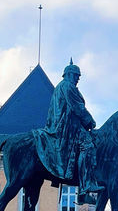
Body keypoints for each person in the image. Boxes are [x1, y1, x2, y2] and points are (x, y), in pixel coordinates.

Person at [39, 61, 101, 203]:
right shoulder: (67, 86)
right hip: (67, 126)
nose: (78, 78)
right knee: (88, 146)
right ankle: (85, 188)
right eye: (76, 75)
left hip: (66, 124)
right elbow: (77, 107)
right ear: (68, 74)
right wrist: (90, 121)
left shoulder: (63, 86)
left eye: (78, 76)